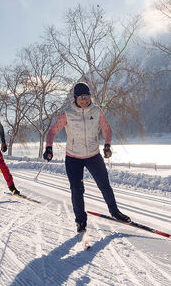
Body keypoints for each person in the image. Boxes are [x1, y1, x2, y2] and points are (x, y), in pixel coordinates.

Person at [43, 82, 130, 233]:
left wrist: (107, 145)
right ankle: (81, 221)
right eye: (81, 97)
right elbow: (52, 132)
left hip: (93, 155)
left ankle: (115, 212)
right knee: (77, 190)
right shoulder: (67, 113)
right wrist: (49, 148)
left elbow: (107, 129)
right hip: (73, 157)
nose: (84, 100)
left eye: (87, 96)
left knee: (104, 185)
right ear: (75, 98)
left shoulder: (96, 111)